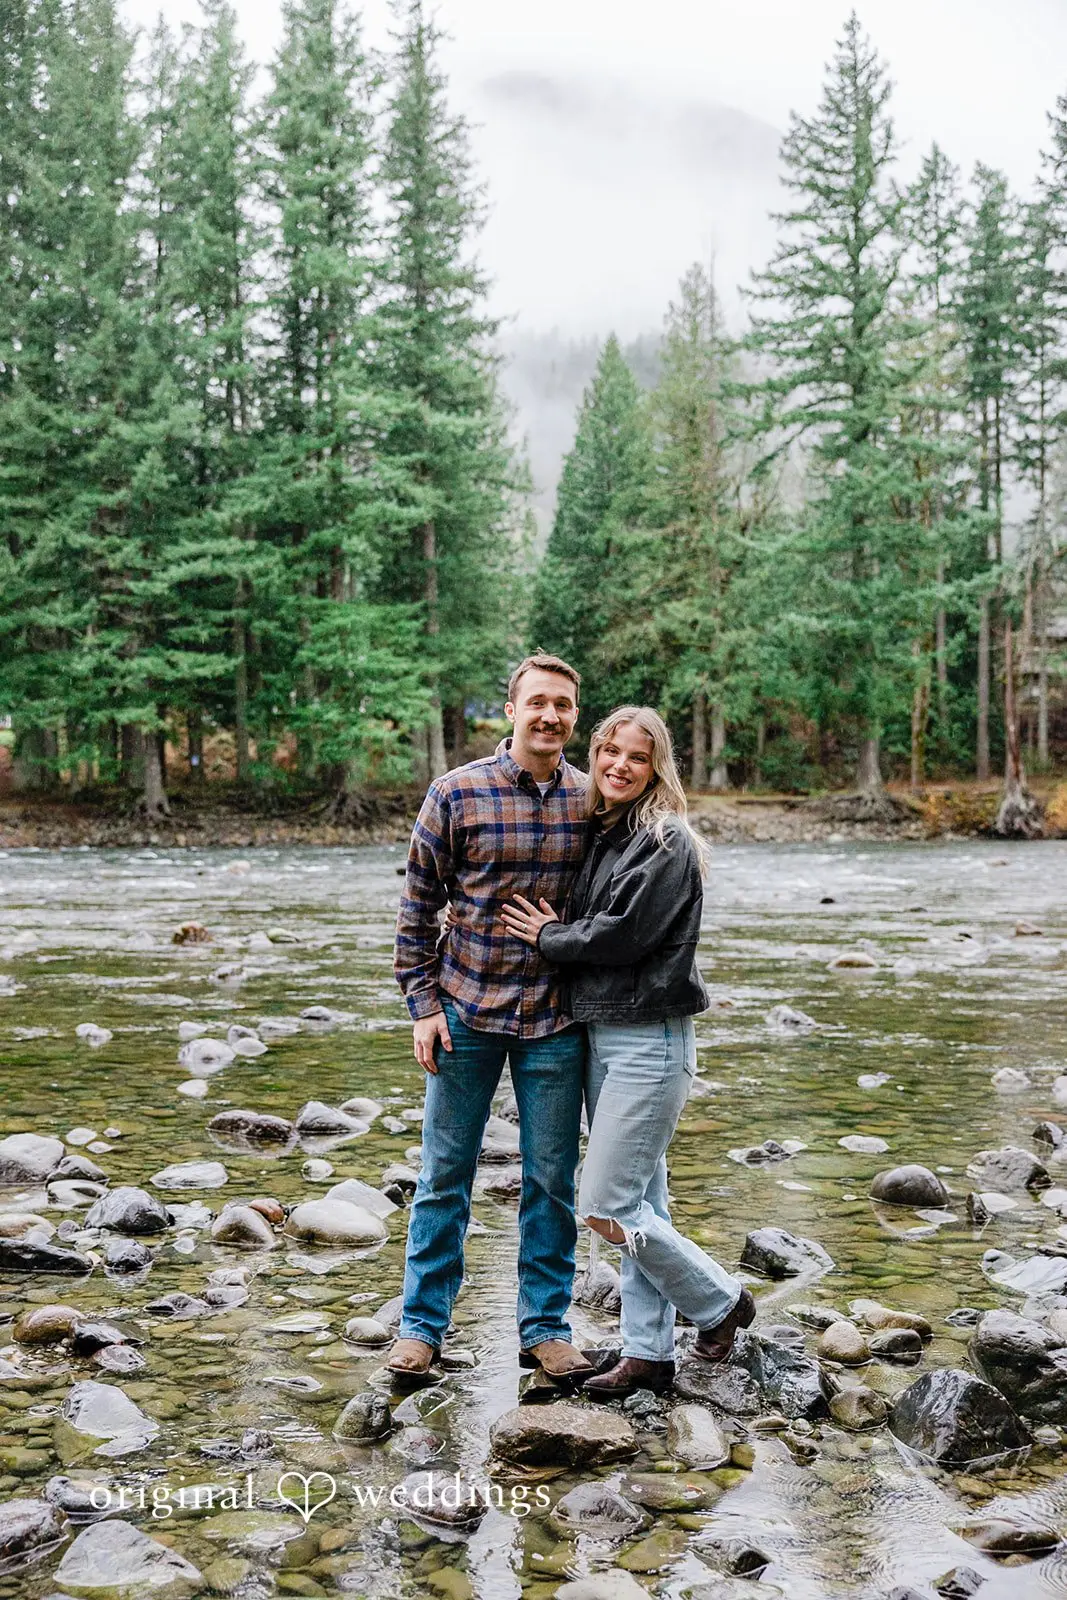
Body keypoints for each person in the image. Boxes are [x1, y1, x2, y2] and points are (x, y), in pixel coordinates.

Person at [501, 706, 754, 1397]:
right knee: (644, 1205)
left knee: (605, 1206)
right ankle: (648, 1352)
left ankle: (717, 1301)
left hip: (652, 1039)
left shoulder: (665, 839)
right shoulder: (607, 833)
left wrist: (551, 938)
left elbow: (623, 935)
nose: (616, 765)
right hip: (602, 1035)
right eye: (608, 751)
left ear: (656, 769)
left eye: (634, 758)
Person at [389, 653, 595, 1386]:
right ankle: (421, 1327)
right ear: (509, 711)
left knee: (551, 1180)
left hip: (553, 1020)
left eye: (563, 705)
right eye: (536, 702)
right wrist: (421, 1005)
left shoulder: (593, 798)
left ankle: (544, 1328)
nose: (549, 716)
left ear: (575, 715)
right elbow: (416, 908)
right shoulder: (456, 793)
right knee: (445, 1175)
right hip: (465, 1013)